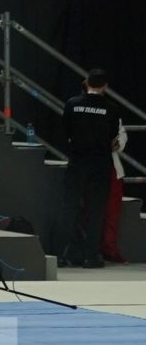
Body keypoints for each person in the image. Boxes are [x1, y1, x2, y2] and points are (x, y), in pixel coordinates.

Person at [61, 70, 123, 270]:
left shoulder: (72, 104)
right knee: (96, 211)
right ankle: (91, 256)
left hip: (77, 162)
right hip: (100, 165)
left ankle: (68, 253)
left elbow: (66, 130)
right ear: (105, 86)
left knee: (71, 208)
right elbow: (113, 136)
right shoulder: (111, 109)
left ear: (86, 82)